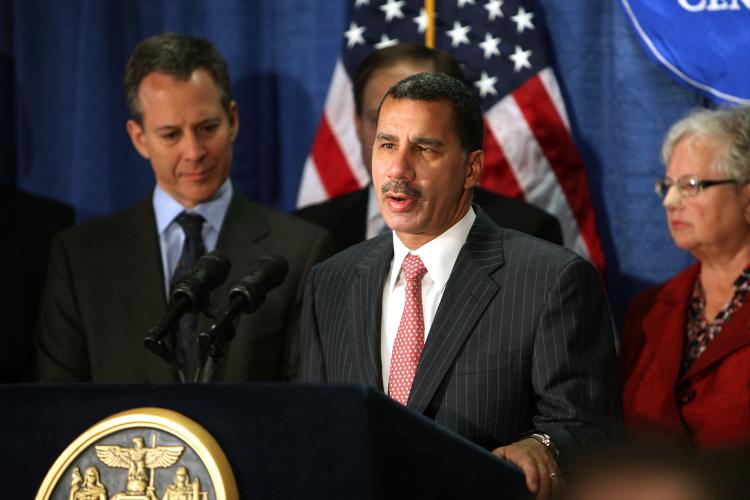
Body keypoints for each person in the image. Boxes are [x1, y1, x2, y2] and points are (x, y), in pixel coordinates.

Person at [299, 72, 621, 500]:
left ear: (471, 169)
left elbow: (589, 429)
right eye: (387, 144)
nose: (398, 169)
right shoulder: (331, 281)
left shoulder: (550, 279)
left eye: (425, 149)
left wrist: (543, 447)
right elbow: (316, 426)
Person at [35, 33, 333, 382]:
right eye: (171, 135)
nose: (194, 151)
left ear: (232, 120)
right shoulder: (81, 257)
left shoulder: (300, 252)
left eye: (207, 128)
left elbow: (307, 403)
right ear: (139, 138)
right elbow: (59, 405)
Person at [294, 43, 562, 253]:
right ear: (357, 124)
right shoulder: (306, 234)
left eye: (424, 132)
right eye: (382, 122)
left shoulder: (526, 231)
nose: (399, 164)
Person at [620, 106, 750, 449]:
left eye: (691, 185)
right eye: (668, 185)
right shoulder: (649, 309)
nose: (671, 201)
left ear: (747, 196)